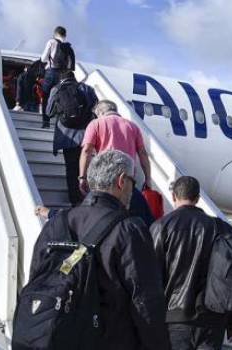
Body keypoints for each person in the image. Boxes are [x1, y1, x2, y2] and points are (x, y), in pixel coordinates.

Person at [29, 150, 170, 349]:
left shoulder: (56, 224)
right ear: (122, 181)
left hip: (59, 338)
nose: (133, 189)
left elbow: (36, 277)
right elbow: (146, 303)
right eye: (133, 182)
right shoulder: (128, 229)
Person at [151, 176, 232, 350]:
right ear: (198, 198)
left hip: (174, 319)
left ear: (174, 196)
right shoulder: (222, 228)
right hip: (212, 319)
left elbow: (151, 280)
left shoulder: (159, 228)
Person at [79, 99, 154, 225]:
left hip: (104, 181)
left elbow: (86, 151)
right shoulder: (133, 126)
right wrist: (147, 179)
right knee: (142, 220)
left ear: (100, 112)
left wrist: (82, 177)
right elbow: (143, 154)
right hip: (127, 182)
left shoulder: (96, 123)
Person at [46, 70, 98, 206]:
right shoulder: (87, 88)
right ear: (75, 78)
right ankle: (86, 197)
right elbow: (95, 108)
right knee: (85, 167)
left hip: (66, 136)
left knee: (70, 168)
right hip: (84, 135)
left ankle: (74, 200)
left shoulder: (56, 89)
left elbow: (49, 112)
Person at [40, 26, 75, 128]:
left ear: (55, 34)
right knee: (61, 98)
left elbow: (43, 59)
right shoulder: (68, 46)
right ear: (65, 35)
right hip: (63, 75)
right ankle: (60, 124)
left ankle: (46, 122)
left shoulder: (51, 42)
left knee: (46, 96)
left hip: (51, 72)